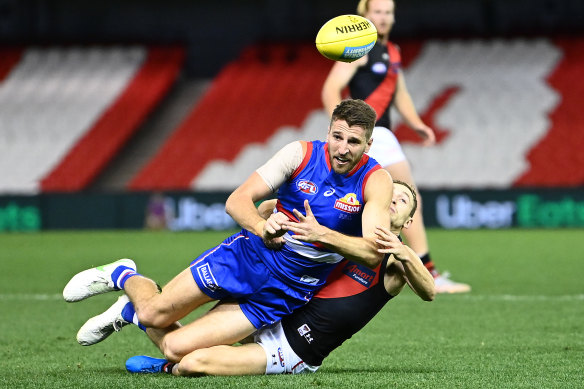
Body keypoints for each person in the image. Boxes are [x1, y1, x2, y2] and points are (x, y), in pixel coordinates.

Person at [63, 99, 393, 363]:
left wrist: (323, 235)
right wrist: (264, 227)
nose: (343, 148)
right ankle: (124, 275)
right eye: (337, 137)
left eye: (354, 141)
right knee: (153, 312)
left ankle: (127, 310)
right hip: (246, 257)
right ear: (328, 132)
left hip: (284, 291)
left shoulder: (376, 180)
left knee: (176, 350)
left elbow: (371, 252)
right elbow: (237, 201)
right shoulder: (300, 153)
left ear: (368, 143)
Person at [120, 180, 435, 376]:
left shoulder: (395, 261)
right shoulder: (346, 229)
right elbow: (271, 207)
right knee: (177, 343)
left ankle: (141, 325)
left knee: (190, 363)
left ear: (408, 221)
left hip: (294, 348)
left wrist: (407, 253)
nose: (394, 199)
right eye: (390, 193)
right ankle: (131, 288)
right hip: (274, 309)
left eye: (403, 200)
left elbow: (429, 292)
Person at [321, 0, 470, 293]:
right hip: (372, 134)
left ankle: (351, 266)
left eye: (388, 12)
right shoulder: (357, 48)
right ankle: (428, 273)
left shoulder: (393, 51)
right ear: (364, 16)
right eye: (378, 11)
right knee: (407, 199)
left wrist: (416, 123)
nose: (384, 17)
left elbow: (399, 93)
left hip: (384, 134)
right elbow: (329, 89)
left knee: (380, 201)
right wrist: (342, 132)